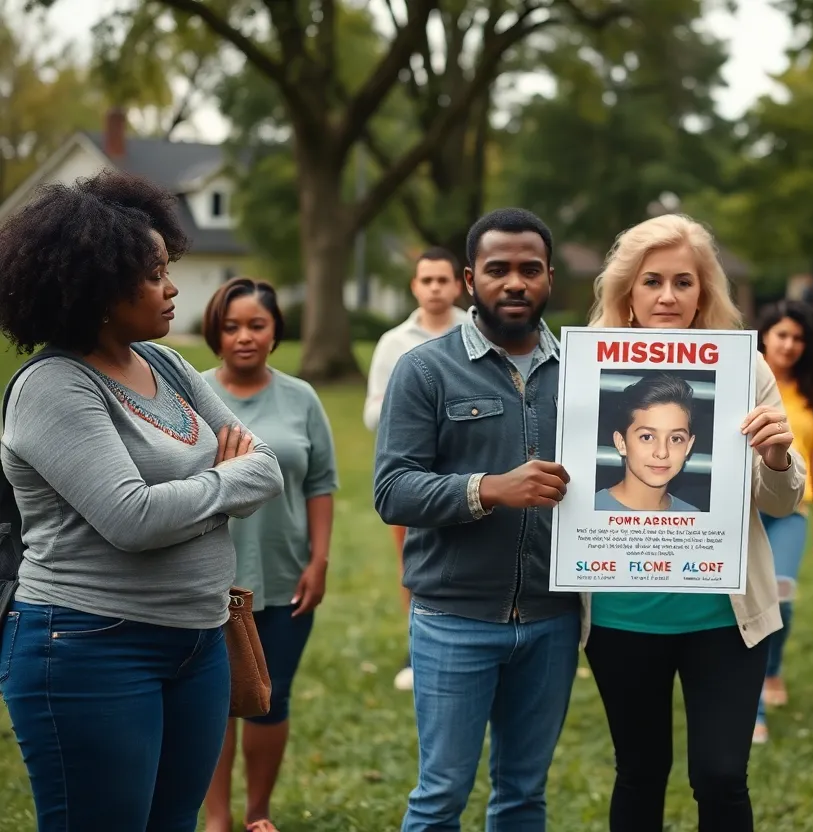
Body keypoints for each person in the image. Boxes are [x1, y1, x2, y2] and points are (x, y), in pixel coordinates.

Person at [0, 170, 284, 831]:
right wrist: (222, 484)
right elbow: (133, 519)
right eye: (155, 273)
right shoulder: (55, 388)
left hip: (199, 643)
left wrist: (186, 496)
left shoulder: (167, 366)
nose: (173, 286)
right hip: (91, 646)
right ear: (100, 288)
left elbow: (265, 467)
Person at [583, 213, 807, 831]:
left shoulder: (748, 369)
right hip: (620, 614)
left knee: (721, 776)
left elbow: (784, 503)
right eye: (652, 280)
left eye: (684, 281)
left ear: (704, 290)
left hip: (725, 616)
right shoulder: (583, 368)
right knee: (640, 771)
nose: (667, 296)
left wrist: (778, 455)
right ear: (627, 290)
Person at [372, 208, 579, 831]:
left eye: (530, 269)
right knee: (441, 797)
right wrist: (490, 489)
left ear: (549, 279)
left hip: (552, 620)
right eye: (497, 270)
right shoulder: (425, 369)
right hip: (453, 618)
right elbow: (393, 491)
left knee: (523, 796)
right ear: (469, 279)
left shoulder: (584, 373)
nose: (514, 283)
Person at [199, 278, 339, 832]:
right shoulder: (194, 393)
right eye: (231, 326)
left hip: (285, 579)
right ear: (215, 331)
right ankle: (218, 818)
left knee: (269, 697)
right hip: (208, 578)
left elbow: (322, 483)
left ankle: (258, 814)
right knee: (211, 702)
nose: (244, 337)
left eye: (256, 325)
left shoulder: (301, 397)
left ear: (276, 330)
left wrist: (320, 560)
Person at [363, 246, 469, 692]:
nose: (435, 288)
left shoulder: (474, 333)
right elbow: (372, 412)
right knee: (413, 562)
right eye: (426, 281)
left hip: (467, 470)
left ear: (458, 284)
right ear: (415, 286)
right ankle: (417, 648)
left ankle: (465, 640)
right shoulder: (394, 342)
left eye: (442, 280)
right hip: (413, 473)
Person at [751, 299, 813, 744]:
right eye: (781, 334)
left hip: (791, 511)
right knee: (750, 603)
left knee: (781, 596)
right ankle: (755, 711)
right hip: (747, 508)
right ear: (764, 335)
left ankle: (773, 668)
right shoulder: (744, 382)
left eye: (798, 338)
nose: (789, 345)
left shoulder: (812, 396)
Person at [596, 372, 701, 511]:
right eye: (647, 437)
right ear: (621, 442)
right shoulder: (589, 510)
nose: (662, 452)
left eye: (676, 439)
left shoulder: (694, 518)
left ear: (688, 446)